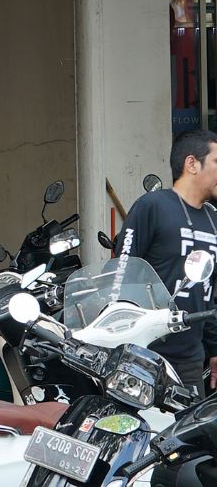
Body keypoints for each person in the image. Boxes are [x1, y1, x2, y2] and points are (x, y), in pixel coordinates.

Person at [115, 130, 217, 392]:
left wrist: (215, 349)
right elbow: (121, 274)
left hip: (191, 358)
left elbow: (210, 292)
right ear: (192, 164)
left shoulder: (214, 220)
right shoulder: (152, 206)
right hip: (144, 354)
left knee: (192, 420)